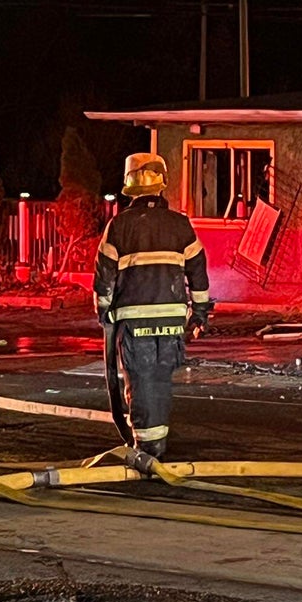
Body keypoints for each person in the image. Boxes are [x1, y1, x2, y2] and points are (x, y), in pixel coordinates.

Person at [94, 153, 211, 461]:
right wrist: (198, 315)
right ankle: (156, 444)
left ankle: (148, 450)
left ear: (129, 187)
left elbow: (104, 277)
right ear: (161, 186)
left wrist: (104, 312)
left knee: (140, 385)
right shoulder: (180, 225)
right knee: (158, 383)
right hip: (172, 325)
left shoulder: (118, 227)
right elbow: (198, 272)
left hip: (134, 325)